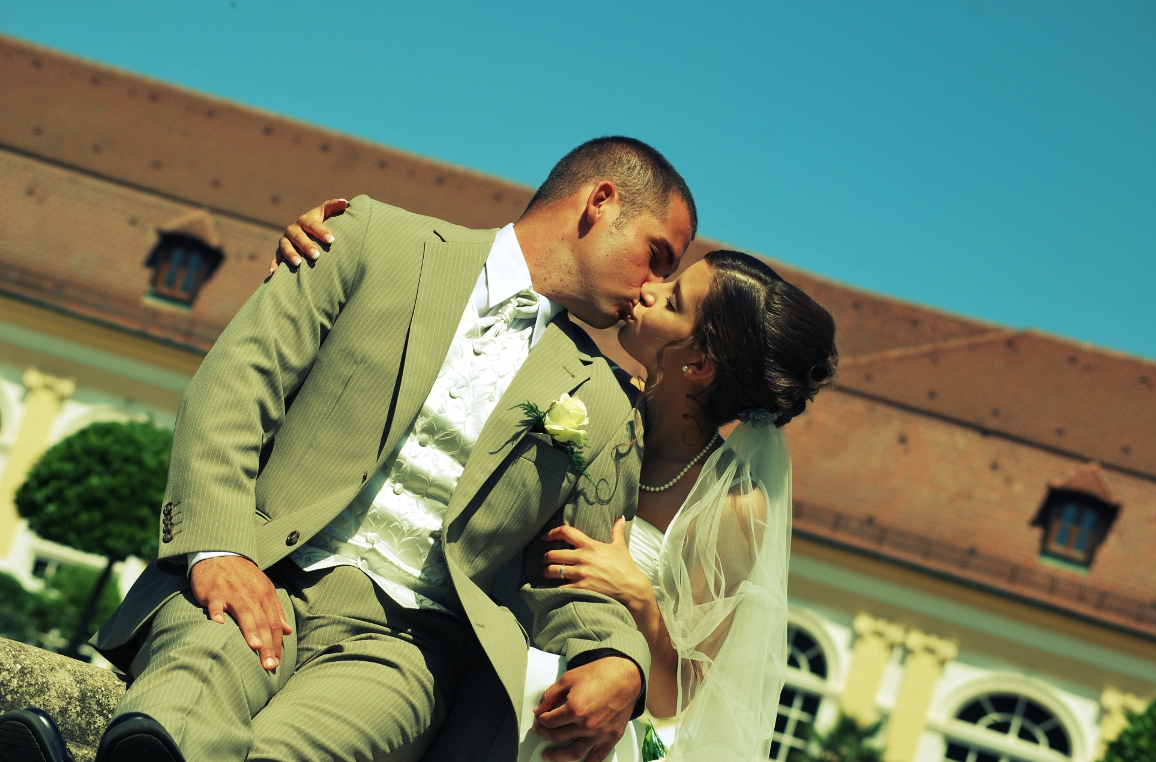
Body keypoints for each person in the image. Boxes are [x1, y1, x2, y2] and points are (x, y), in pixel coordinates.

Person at [4, 137, 698, 762]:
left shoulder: (607, 403)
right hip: (260, 567)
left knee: (297, 752)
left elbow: (579, 572)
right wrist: (219, 549)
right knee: (187, 690)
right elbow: (234, 394)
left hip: (406, 648)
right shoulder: (367, 239)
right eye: (656, 254)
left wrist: (620, 661)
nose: (650, 286)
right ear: (599, 202)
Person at [277, 208, 838, 760]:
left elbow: (677, 695)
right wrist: (327, 244)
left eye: (672, 300)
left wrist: (640, 597)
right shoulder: (583, 387)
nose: (648, 289)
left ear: (699, 364)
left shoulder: (736, 504)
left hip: (567, 728)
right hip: (450, 659)